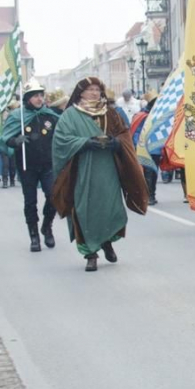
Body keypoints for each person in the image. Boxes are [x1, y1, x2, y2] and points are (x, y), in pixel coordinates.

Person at [51, 77, 148, 272]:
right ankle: (90, 254)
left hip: (107, 169)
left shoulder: (109, 113)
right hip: (82, 170)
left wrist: (117, 143)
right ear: (81, 93)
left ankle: (106, 241)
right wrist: (84, 143)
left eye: (97, 89)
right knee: (84, 210)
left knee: (110, 208)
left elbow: (123, 134)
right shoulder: (70, 115)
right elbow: (61, 141)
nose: (95, 93)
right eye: (90, 90)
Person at [1, 80, 60, 251]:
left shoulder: (50, 115)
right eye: (35, 96)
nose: (39, 99)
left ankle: (47, 226)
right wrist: (15, 141)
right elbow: (6, 139)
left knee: (53, 196)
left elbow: (62, 135)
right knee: (30, 201)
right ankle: (34, 236)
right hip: (27, 165)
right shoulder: (17, 116)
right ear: (27, 98)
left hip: (48, 164)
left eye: (41, 95)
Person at [130, 95, 159, 205]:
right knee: (147, 171)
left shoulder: (157, 115)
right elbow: (137, 132)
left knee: (153, 172)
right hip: (144, 148)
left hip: (155, 148)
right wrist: (139, 145)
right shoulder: (142, 116)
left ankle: (152, 194)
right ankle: (148, 195)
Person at [1, 103, 19, 188]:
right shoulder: (2, 124)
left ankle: (12, 180)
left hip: (13, 144)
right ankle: (5, 180)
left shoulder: (14, 121)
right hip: (4, 145)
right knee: (5, 164)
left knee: (13, 164)